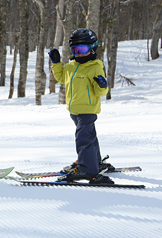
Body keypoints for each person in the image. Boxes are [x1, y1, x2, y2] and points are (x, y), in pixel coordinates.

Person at [48, 28, 113, 184]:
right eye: (75, 49)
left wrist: (103, 85)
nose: (78, 53)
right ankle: (95, 163)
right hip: (75, 111)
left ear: (92, 48)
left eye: (82, 49)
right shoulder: (71, 66)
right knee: (90, 137)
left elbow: (100, 92)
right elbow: (62, 78)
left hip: (87, 110)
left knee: (83, 139)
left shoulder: (95, 67)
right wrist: (57, 63)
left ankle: (88, 170)